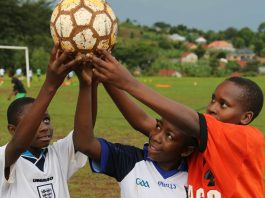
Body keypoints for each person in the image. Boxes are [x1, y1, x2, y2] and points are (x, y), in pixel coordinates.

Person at [88, 49, 264, 198]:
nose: (212, 108)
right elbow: (142, 121)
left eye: (223, 104)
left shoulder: (247, 139)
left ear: (246, 118)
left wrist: (128, 82)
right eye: (212, 100)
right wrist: (107, 79)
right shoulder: (198, 144)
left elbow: (193, 120)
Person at [75, 64, 197, 197]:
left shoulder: (197, 175)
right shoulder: (131, 160)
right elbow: (84, 143)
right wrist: (88, 85)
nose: (156, 137)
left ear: (186, 150)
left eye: (169, 136)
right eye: (157, 126)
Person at [0, 45, 89, 197]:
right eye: (34, 123)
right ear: (13, 130)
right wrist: (51, 84)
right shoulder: (4, 159)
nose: (44, 127)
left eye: (46, 120)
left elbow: (84, 133)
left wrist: (87, 85)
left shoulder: (58, 154)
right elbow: (18, 144)